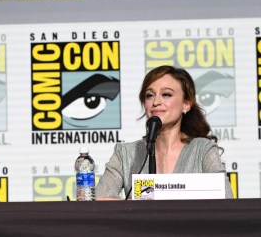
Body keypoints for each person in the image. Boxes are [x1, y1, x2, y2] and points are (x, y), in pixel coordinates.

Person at [96, 65, 233, 200]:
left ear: (186, 104)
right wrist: (141, 209)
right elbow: (99, 199)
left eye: (166, 94)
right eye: (150, 95)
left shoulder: (203, 150)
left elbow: (225, 200)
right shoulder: (126, 153)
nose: (156, 102)